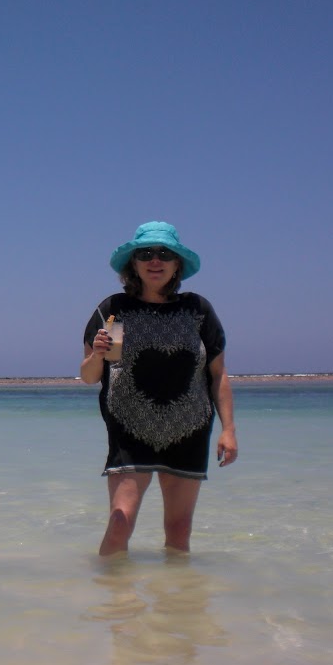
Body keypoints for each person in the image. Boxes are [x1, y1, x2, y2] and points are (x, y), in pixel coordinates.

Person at [81, 221, 237, 556]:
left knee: (179, 530)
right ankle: (110, 588)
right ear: (133, 264)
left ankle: (178, 591)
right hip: (129, 430)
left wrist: (229, 430)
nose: (155, 260)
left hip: (189, 429)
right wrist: (97, 354)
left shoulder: (197, 310)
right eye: (146, 253)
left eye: (165, 253)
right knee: (120, 522)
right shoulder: (115, 311)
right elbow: (92, 376)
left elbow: (218, 375)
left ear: (177, 263)